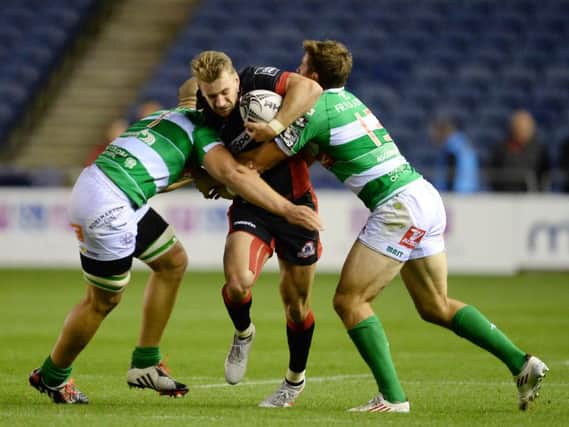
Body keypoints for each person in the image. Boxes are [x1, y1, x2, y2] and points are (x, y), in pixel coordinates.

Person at [243, 39, 548, 413]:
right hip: (422, 194)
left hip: (398, 204)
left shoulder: (315, 109)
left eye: (301, 67)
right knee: (435, 305)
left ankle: (392, 398)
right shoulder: (349, 101)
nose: (296, 74)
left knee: (349, 301)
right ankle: (522, 363)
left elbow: (257, 162)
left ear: (313, 75)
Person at [28, 106, 322, 404]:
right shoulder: (203, 132)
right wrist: (287, 208)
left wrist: (200, 176)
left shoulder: (175, 115)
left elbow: (183, 167)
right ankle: (53, 377)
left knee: (172, 262)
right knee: (102, 301)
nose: (223, 104)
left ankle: (146, 362)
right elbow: (233, 174)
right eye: (215, 97)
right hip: (109, 205)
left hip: (112, 191)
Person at [178, 50, 323, 407]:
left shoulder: (258, 79)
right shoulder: (202, 111)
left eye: (226, 93)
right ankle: (243, 332)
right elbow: (195, 155)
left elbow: (309, 88)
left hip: (296, 201)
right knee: (238, 283)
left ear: (237, 81)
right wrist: (201, 175)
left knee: (297, 307)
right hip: (251, 206)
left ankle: (293, 381)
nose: (222, 102)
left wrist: (275, 126)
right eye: (213, 96)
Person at [489, 110, 550, 192]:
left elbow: (545, 175)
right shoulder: (501, 149)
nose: (522, 129)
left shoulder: (540, 151)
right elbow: (494, 173)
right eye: (518, 126)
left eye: (525, 127)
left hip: (533, 197)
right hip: (504, 196)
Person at [429, 115, 480, 193]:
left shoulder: (453, 149)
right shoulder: (461, 144)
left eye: (435, 133)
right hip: (465, 192)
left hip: (458, 194)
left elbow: (453, 174)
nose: (433, 137)